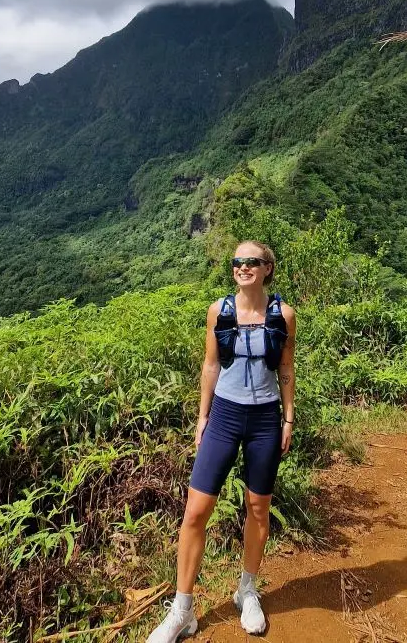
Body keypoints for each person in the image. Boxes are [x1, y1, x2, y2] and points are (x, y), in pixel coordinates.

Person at [147, 241, 296, 642]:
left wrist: (288, 418)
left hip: (265, 417)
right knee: (196, 510)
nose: (243, 266)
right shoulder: (219, 311)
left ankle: (247, 590)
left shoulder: (283, 315)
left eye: (253, 261)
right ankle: (183, 610)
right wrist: (202, 416)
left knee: (258, 508)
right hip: (226, 415)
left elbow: (285, 367)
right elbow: (211, 364)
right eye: (238, 261)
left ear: (268, 268)